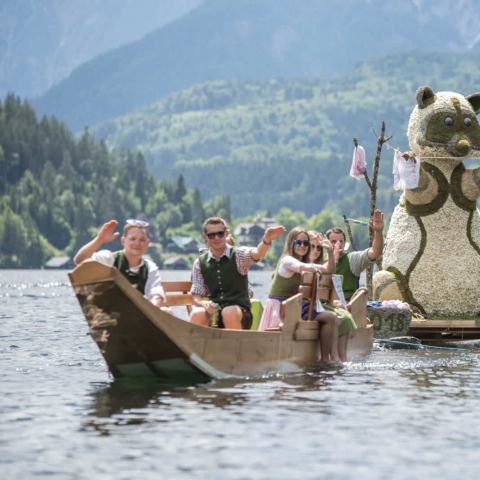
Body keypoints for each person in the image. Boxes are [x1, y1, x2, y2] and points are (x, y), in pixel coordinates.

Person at [258, 227, 340, 363]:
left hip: (296, 306)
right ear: (291, 243)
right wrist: (315, 267)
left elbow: (329, 269)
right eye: (298, 243)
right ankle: (320, 359)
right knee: (330, 317)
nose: (302, 246)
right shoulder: (288, 261)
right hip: (280, 307)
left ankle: (325, 359)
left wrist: (330, 251)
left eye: (305, 243)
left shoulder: (304, 262)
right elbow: (303, 267)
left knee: (331, 318)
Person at [189, 217, 286, 330]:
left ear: (226, 234)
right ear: (205, 237)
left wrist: (266, 241)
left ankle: (236, 345)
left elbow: (258, 253)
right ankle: (194, 346)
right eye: (212, 235)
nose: (216, 238)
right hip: (215, 312)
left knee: (228, 312)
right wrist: (203, 303)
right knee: (197, 314)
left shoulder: (238, 255)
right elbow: (196, 294)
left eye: (220, 234)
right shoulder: (200, 262)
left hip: (240, 313)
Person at [74, 219, 170, 311]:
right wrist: (99, 239)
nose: (137, 243)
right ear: (123, 241)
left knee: (166, 311)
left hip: (137, 316)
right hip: (109, 315)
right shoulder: (109, 259)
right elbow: (79, 260)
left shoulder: (150, 267)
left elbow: (156, 295)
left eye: (142, 240)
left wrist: (148, 312)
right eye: (132, 239)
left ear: (147, 243)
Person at [306, 231, 356, 362]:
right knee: (334, 316)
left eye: (318, 247)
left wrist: (330, 252)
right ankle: (333, 357)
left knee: (345, 316)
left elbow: (330, 270)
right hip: (306, 306)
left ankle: (341, 357)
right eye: (312, 247)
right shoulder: (301, 264)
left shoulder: (319, 265)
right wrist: (333, 254)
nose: (315, 250)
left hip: (318, 304)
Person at [326, 209, 384, 301]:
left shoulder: (352, 259)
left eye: (341, 241)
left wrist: (378, 232)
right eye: (333, 241)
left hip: (347, 306)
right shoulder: (319, 259)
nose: (338, 245)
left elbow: (375, 252)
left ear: (344, 244)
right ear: (326, 243)